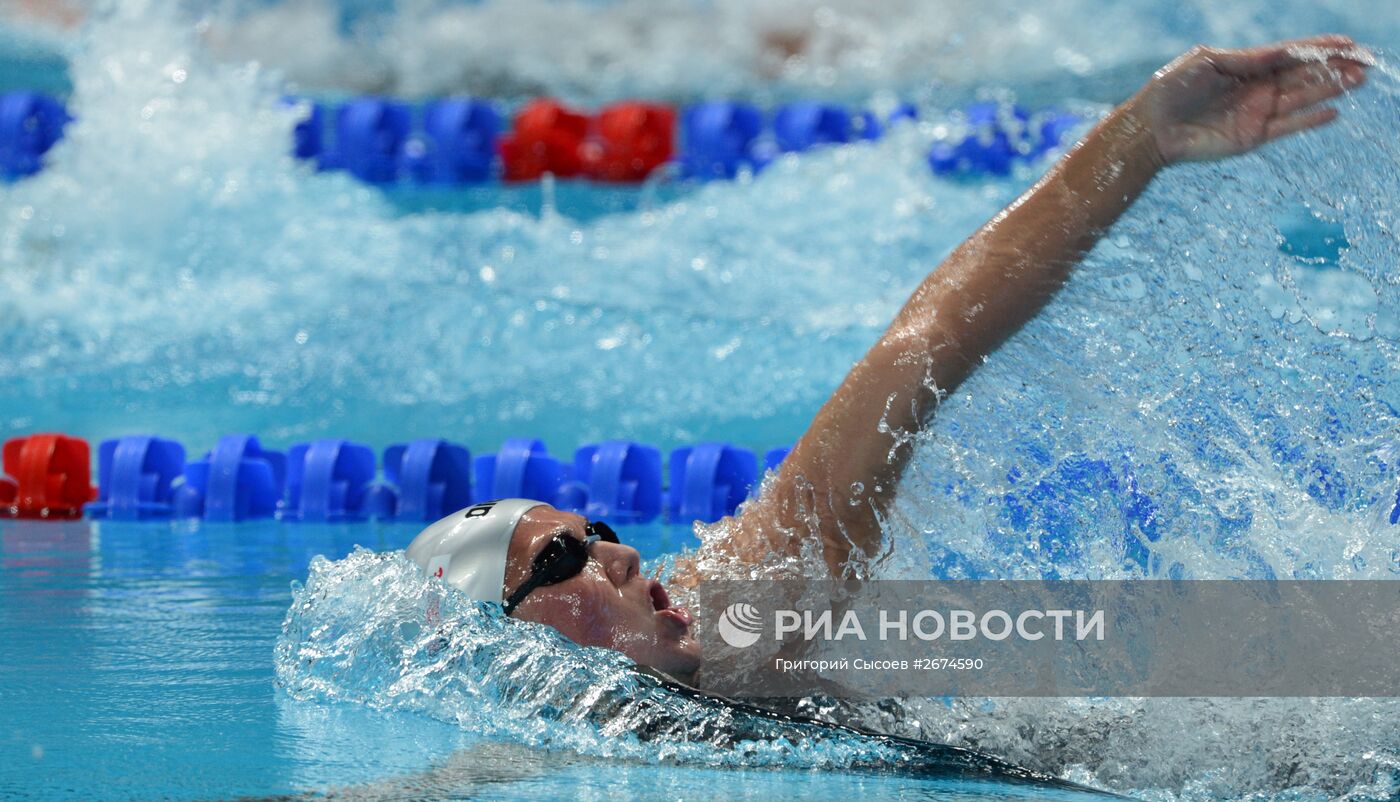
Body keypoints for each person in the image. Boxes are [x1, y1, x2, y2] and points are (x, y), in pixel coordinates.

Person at [407, 36, 1371, 689]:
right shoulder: (564, 724)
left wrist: (1139, 140)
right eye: (564, 558)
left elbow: (919, 353)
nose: (618, 552)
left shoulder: (737, 621)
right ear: (504, 636)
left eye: (596, 530)